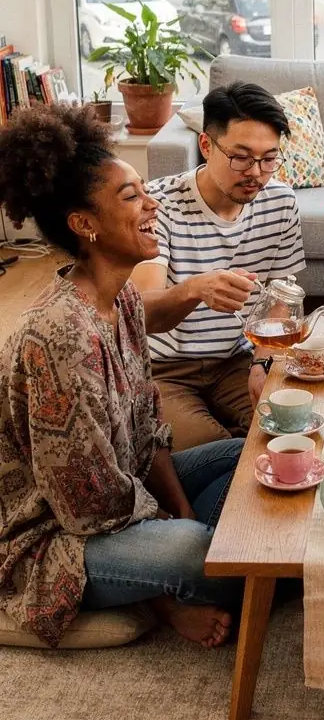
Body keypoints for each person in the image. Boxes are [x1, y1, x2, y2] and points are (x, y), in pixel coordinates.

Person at [0, 105, 242, 650]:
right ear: (84, 224)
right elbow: (86, 506)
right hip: (52, 536)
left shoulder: (124, 299)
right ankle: (166, 594)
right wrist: (176, 527)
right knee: (197, 551)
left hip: (122, 494)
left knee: (248, 459)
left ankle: (195, 555)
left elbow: (147, 430)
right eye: (131, 197)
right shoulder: (59, 336)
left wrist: (178, 507)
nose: (152, 204)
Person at [134, 82, 305, 452]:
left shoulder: (280, 201)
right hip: (166, 371)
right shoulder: (159, 204)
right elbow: (141, 310)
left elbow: (280, 300)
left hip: (237, 361)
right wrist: (195, 288)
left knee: (290, 435)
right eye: (241, 157)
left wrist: (264, 363)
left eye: (269, 158)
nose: (256, 173)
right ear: (206, 146)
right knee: (219, 454)